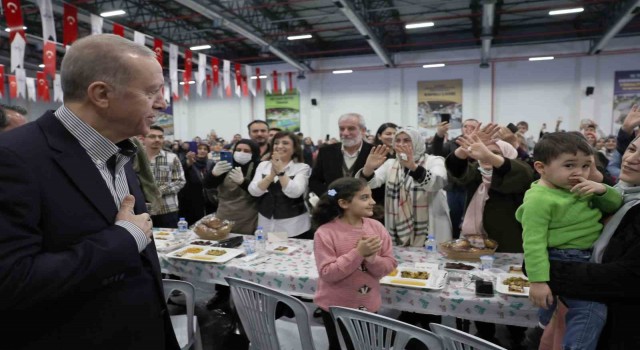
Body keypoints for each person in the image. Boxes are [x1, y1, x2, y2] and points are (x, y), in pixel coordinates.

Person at [0, 34, 179, 349]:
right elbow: (12, 281)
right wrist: (122, 239)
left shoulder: (120, 151)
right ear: (101, 94)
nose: (162, 103)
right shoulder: (15, 158)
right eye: (152, 92)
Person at [515, 132, 622, 350]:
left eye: (585, 166)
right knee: (591, 310)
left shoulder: (581, 187)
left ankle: (545, 331)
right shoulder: (539, 199)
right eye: (570, 165)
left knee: (555, 315)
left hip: (583, 257)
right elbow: (533, 243)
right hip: (564, 257)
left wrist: (602, 190)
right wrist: (537, 281)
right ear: (541, 168)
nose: (579, 172)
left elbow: (614, 205)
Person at [543, 134, 640, 349]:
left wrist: (546, 270)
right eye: (632, 149)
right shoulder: (619, 194)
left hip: (621, 329)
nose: (632, 159)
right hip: (580, 307)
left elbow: (627, 278)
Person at [446, 125, 533, 347]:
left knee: (512, 288)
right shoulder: (477, 174)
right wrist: (463, 153)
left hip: (509, 245)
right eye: (484, 150)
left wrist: (491, 156)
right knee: (479, 287)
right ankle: (484, 333)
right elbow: (456, 169)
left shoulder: (520, 172)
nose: (487, 154)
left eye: (495, 152)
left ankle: (517, 333)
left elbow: (522, 173)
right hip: (475, 245)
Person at [312, 177, 397, 350]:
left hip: (368, 305)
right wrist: (358, 253)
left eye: (371, 196)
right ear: (344, 203)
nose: (372, 202)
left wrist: (372, 259)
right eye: (364, 197)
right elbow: (328, 273)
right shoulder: (325, 233)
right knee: (339, 346)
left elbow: (390, 264)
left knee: (364, 345)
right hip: (335, 308)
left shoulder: (377, 228)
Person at [358, 126, 451, 247]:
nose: (401, 144)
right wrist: (368, 168)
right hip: (396, 225)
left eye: (407, 140)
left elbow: (438, 182)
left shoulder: (434, 161)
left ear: (417, 141)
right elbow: (371, 183)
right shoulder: (391, 163)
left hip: (429, 227)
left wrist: (413, 167)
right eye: (397, 140)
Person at [249, 131, 312, 238]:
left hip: (293, 226)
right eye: (276, 143)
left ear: (295, 148)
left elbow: (295, 192)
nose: (280, 146)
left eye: (285, 143)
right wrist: (270, 176)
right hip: (265, 224)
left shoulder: (302, 167)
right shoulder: (263, 165)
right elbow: (253, 191)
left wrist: (280, 172)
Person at [429, 118, 481, 238]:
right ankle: (453, 241)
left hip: (474, 188)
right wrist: (439, 135)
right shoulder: (453, 143)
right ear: (462, 128)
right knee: (454, 218)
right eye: (466, 126)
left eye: (473, 127)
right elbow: (437, 152)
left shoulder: (482, 144)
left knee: (473, 220)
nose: (469, 129)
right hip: (454, 188)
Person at [309, 113, 373, 199]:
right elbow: (315, 181)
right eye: (341, 129)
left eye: (351, 128)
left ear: (363, 130)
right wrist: (332, 195)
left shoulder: (374, 152)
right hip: (333, 207)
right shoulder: (326, 152)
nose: (345, 133)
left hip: (365, 206)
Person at [204, 139, 261, 235]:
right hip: (224, 215)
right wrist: (213, 174)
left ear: (254, 153)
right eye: (238, 150)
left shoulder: (258, 167)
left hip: (248, 219)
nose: (241, 153)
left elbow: (259, 193)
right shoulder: (225, 164)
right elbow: (207, 185)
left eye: (246, 151)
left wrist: (243, 182)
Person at [144, 125, 186, 228]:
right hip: (142, 210)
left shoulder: (172, 158)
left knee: (168, 242)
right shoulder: (134, 157)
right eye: (152, 136)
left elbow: (180, 181)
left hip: (167, 209)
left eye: (160, 137)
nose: (157, 139)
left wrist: (159, 190)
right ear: (143, 138)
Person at [178, 143, 217, 225]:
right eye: (199, 148)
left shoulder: (211, 163)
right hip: (191, 199)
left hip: (208, 199)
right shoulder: (188, 161)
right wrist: (188, 163)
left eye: (205, 149)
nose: (202, 151)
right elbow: (181, 171)